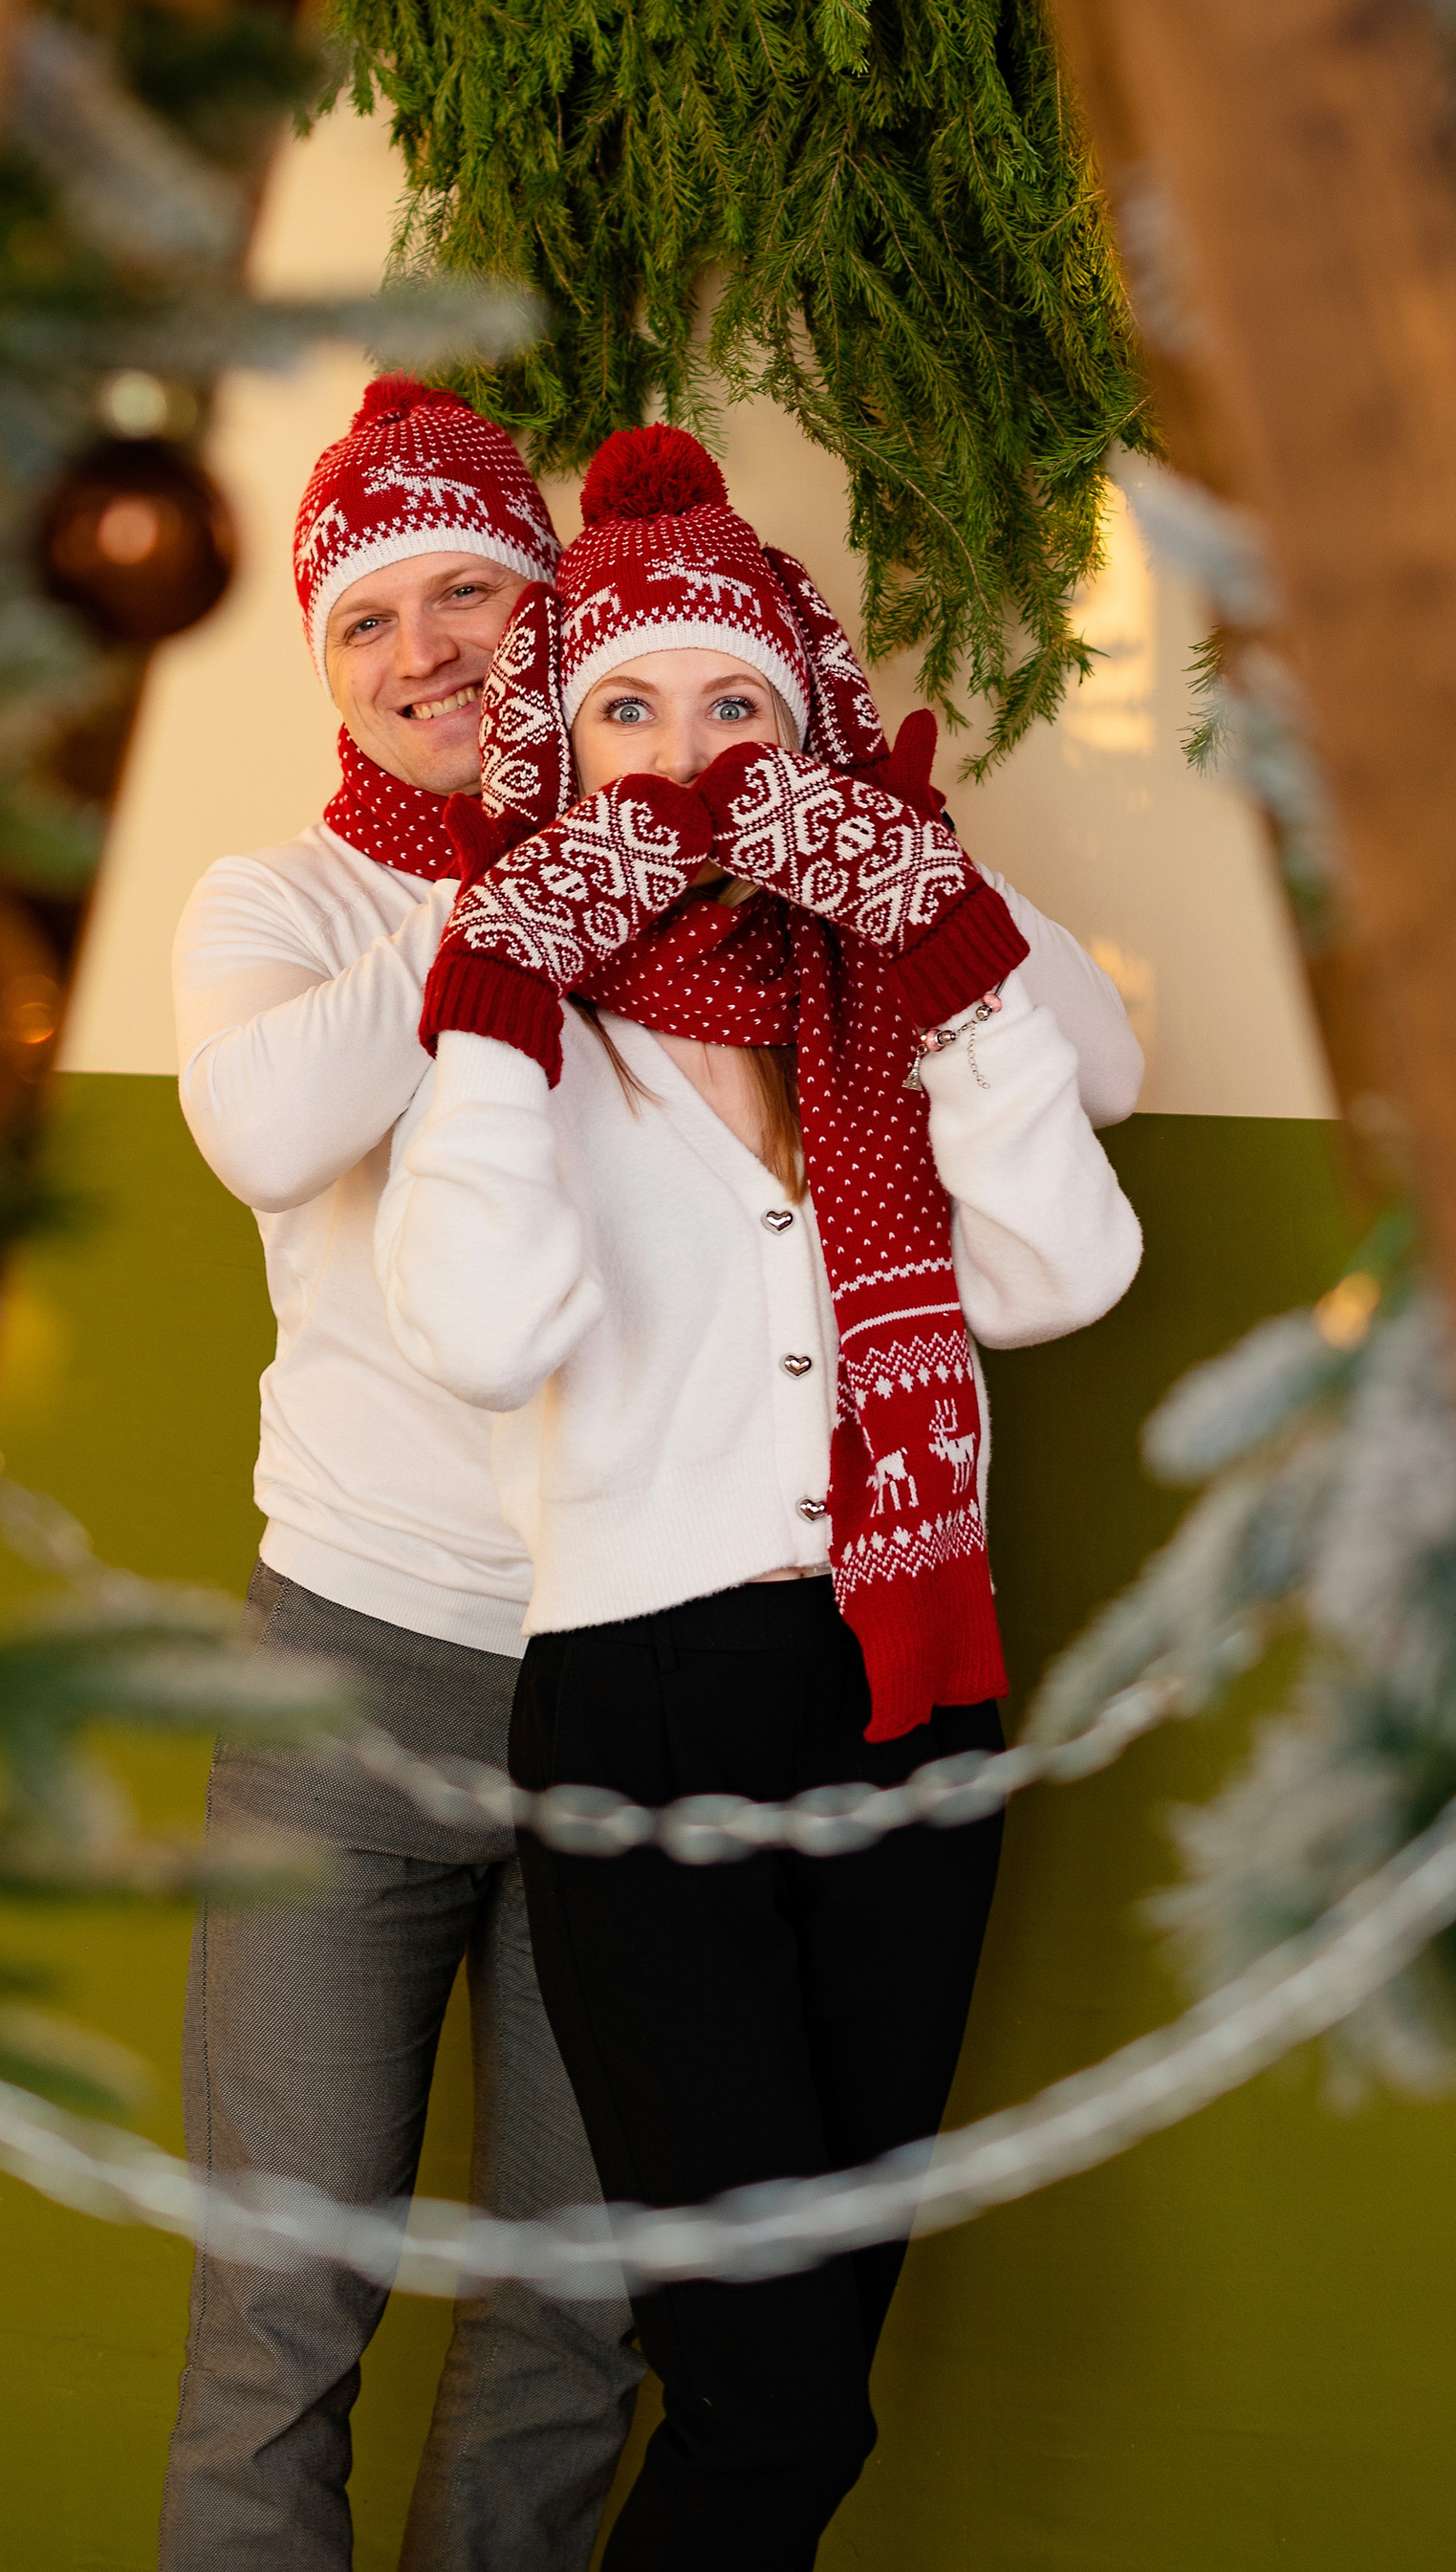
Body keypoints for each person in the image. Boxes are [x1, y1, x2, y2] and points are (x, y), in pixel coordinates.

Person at [378, 425, 1145, 2571]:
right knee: (762, 2397)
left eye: (738, 710)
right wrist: (502, 995)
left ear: (806, 740)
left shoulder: (876, 997)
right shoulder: (532, 1005)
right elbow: (475, 1324)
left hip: (915, 1698)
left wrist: (936, 929)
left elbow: (1063, 1274)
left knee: (817, 2406)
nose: (686, 757)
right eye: (626, 707)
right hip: (642, 1714)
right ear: (563, 744)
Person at [160, 376, 643, 2572]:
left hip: (646, 1687)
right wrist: (529, 885)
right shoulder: (277, 903)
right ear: (323, 663)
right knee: (282, 2308)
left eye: (475, 592)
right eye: (374, 618)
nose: (430, 649)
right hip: (351, 1691)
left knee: (579, 2316)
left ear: (550, 614)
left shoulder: (682, 901)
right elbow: (267, 1130)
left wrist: (623, 856)